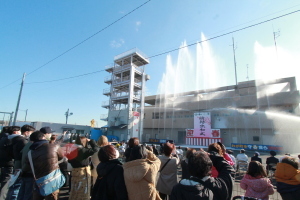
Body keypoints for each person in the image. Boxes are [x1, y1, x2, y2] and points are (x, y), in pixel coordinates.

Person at [170, 150, 235, 200]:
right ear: (210, 168)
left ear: (189, 168)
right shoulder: (219, 186)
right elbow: (229, 170)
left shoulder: (177, 189)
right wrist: (212, 156)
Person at [24, 131, 64, 200]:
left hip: (38, 181)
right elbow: (61, 157)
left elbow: (27, 166)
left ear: (31, 141)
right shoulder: (54, 146)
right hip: (53, 179)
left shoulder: (30, 153)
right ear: (44, 137)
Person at [68, 134, 99, 200]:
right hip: (83, 172)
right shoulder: (84, 151)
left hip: (74, 171)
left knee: (75, 190)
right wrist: (91, 141)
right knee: (83, 192)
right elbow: (96, 149)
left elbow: (69, 161)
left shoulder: (72, 150)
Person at [0, 126, 13, 190]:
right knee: (5, 182)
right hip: (8, 163)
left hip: (2, 162)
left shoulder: (2, 138)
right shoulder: (9, 140)